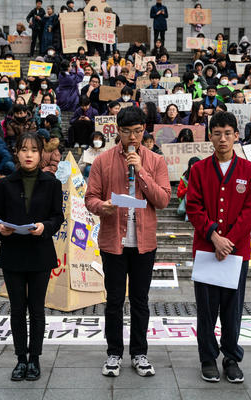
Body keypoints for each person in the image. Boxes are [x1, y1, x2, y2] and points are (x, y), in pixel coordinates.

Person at [85, 106, 171, 378]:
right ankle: (113, 353)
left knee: (140, 300)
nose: (132, 138)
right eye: (126, 132)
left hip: (144, 242)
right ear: (117, 131)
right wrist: (103, 207)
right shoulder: (102, 161)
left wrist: (141, 171)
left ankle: (139, 353)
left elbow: (163, 200)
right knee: (113, 300)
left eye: (137, 132)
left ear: (144, 130)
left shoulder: (155, 161)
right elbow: (90, 198)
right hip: (113, 241)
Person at [186, 111, 251, 383]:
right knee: (206, 310)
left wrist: (228, 243)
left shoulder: (248, 170)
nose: (223, 138)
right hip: (206, 250)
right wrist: (214, 237)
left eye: (228, 133)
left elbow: (249, 213)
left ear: (236, 135)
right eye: (217, 133)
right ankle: (207, 358)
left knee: (232, 310)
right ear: (210, 137)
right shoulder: (199, 169)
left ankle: (230, 357)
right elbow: (193, 207)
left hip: (237, 253)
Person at [0, 131, 63, 381]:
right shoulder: (4, 184)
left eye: (34, 150)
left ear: (41, 153)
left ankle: (35, 359)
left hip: (40, 254)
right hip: (12, 254)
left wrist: (45, 227)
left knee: (37, 309)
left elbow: (58, 217)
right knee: (17, 309)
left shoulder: (52, 183)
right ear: (17, 153)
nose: (29, 154)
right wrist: (0, 229)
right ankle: (20, 359)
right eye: (24, 150)